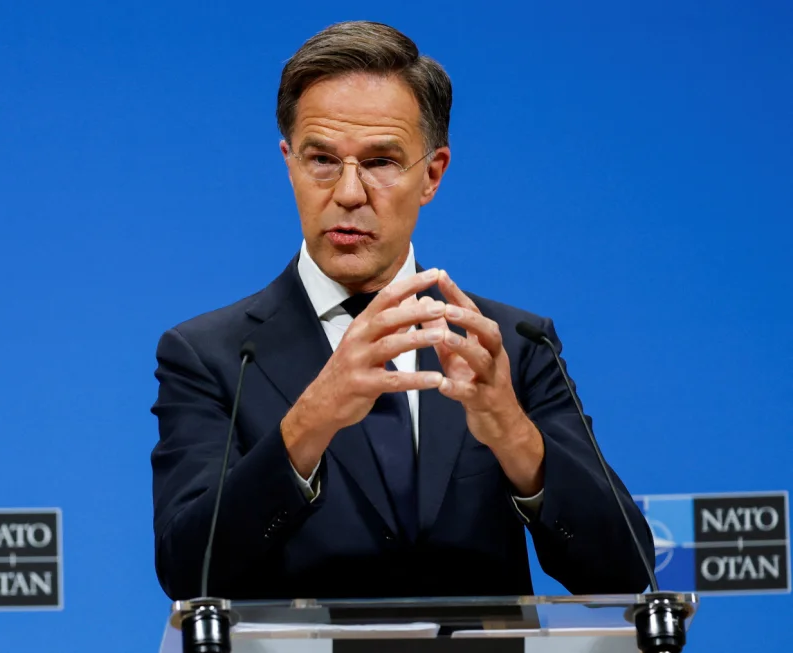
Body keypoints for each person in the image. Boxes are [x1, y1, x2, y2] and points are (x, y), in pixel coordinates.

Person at [149, 20, 654, 601]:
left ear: (432, 174)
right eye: (322, 159)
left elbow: (625, 571)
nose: (348, 193)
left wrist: (513, 434)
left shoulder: (513, 346)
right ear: (290, 163)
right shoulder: (213, 356)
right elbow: (188, 572)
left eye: (381, 162)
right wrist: (308, 424)